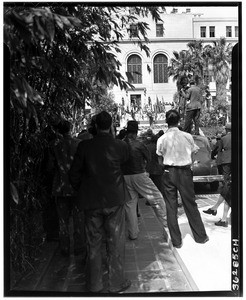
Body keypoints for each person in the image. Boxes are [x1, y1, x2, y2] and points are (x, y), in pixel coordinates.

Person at [69, 111, 131, 293]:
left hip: (92, 201)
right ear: (111, 125)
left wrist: (83, 190)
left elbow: (73, 174)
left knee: (93, 243)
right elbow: (125, 166)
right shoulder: (121, 146)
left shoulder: (84, 146)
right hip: (115, 199)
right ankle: (116, 283)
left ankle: (95, 285)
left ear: (95, 126)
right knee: (116, 241)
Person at [156, 110, 209, 248]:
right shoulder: (187, 136)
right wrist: (188, 165)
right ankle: (200, 237)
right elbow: (192, 154)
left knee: (171, 206)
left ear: (166, 122)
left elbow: (160, 160)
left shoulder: (161, 139)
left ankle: (176, 241)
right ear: (179, 121)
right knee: (190, 203)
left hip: (169, 171)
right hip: (185, 172)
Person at [122, 120, 167, 241]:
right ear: (136, 131)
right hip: (139, 174)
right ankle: (167, 224)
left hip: (125, 177)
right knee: (157, 198)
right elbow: (148, 157)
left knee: (130, 205)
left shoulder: (120, 144)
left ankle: (133, 233)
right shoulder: (139, 144)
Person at [48, 120, 86, 257]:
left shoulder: (54, 145)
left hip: (60, 186)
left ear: (58, 130)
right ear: (71, 128)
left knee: (63, 220)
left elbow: (50, 167)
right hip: (76, 187)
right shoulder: (78, 143)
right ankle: (79, 247)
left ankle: (64, 248)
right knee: (79, 219)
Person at [203, 122, 231, 218]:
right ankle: (222, 216)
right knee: (229, 187)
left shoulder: (223, 139)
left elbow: (217, 150)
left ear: (227, 130)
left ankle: (215, 208)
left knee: (227, 186)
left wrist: (212, 156)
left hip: (226, 162)